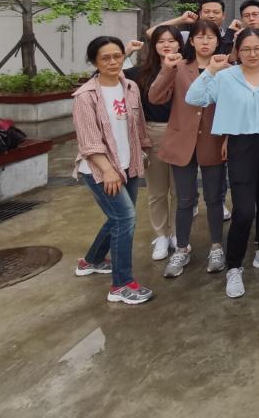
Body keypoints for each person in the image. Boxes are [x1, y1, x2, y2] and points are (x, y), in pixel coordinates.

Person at [186, 27, 259, 299]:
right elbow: (194, 98)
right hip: (241, 146)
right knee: (244, 210)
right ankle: (234, 266)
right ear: (236, 51)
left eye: (258, 48)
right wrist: (211, 70)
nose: (252, 54)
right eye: (246, 49)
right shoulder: (225, 77)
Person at [72, 37, 153, 305]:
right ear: (94, 61)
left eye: (117, 56)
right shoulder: (85, 96)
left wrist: (143, 150)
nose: (113, 62)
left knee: (118, 218)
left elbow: (137, 125)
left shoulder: (130, 86)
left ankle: (91, 261)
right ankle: (121, 285)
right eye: (105, 58)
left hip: (128, 164)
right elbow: (89, 142)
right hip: (101, 170)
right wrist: (108, 170)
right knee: (125, 219)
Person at [149, 20, 227, 278]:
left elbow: (232, 107)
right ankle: (181, 248)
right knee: (185, 199)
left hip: (213, 140)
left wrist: (228, 139)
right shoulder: (179, 67)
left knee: (214, 198)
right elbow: (155, 97)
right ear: (191, 41)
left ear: (218, 41)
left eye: (210, 37)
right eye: (199, 37)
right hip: (181, 141)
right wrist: (166, 69)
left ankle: (216, 246)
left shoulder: (227, 69)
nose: (205, 41)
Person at [124, 25, 180, 262]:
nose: (166, 45)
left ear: (180, 44)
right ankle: (161, 236)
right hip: (152, 132)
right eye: (161, 41)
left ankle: (177, 233)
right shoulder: (140, 73)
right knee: (157, 191)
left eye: (171, 40)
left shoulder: (185, 69)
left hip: (181, 133)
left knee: (180, 191)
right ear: (153, 45)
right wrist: (126, 53)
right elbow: (104, 74)